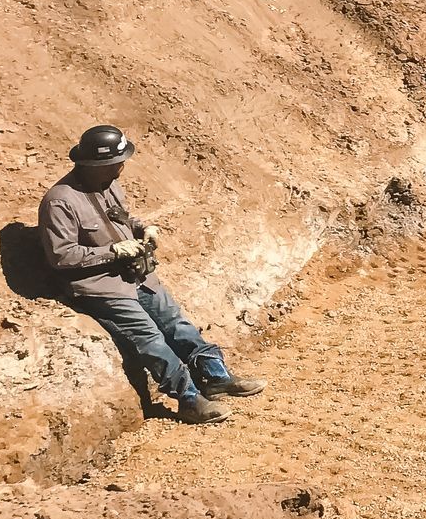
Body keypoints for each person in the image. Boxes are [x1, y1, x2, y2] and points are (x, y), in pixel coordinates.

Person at [38, 124, 265, 425]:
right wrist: (115, 251)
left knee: (176, 322)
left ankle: (216, 376)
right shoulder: (60, 201)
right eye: (117, 162)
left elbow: (122, 219)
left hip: (137, 274)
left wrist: (143, 228)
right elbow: (61, 256)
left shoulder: (109, 184)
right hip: (101, 286)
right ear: (95, 164)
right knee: (150, 337)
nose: (122, 167)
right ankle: (188, 398)